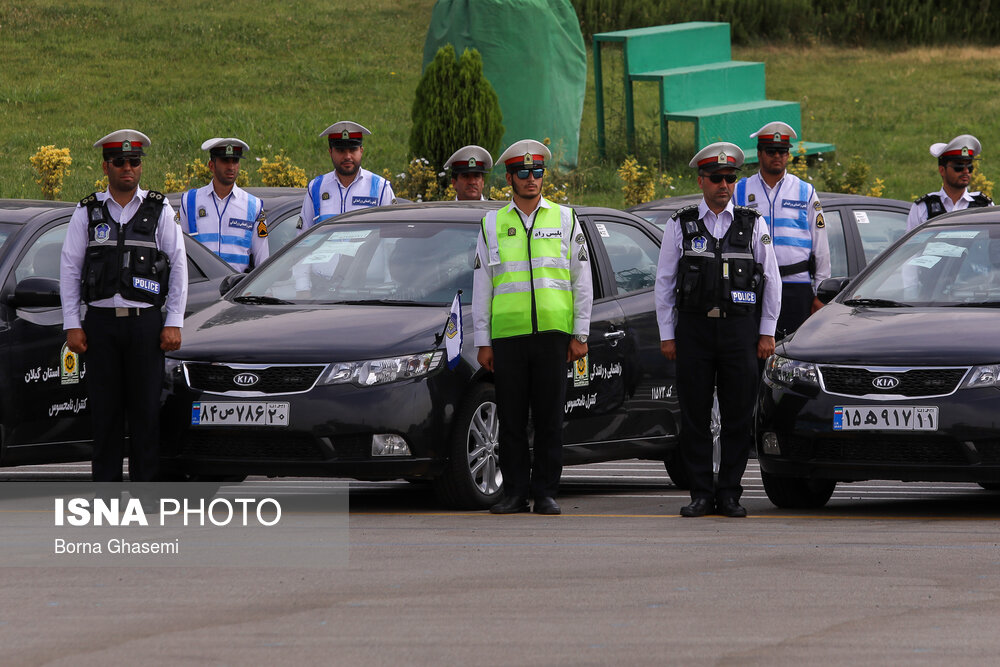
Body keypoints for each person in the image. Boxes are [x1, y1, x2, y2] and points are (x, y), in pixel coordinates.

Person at [655, 142, 780, 518]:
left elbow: (771, 280)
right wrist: (667, 333)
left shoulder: (752, 223)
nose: (724, 185)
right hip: (694, 330)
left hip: (740, 331)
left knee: (737, 415)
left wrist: (767, 332)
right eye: (716, 178)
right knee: (694, 414)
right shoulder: (680, 223)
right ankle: (699, 492)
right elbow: (664, 281)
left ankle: (729, 492)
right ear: (701, 181)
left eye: (730, 178)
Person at [59, 129, 188, 482]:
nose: (128, 168)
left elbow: (178, 267)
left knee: (146, 413)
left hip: (145, 325)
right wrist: (72, 323)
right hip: (100, 325)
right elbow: (70, 269)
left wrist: (173, 320)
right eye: (120, 162)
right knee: (105, 415)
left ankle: (146, 498)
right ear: (106, 166)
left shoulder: (160, 210)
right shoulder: (87, 212)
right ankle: (107, 497)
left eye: (134, 162)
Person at [472, 139, 593, 515]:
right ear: (509, 178)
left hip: (554, 336)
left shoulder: (565, 218)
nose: (530, 179)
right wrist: (483, 340)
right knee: (510, 419)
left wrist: (581, 334)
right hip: (508, 338)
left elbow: (581, 280)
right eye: (522, 172)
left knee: (548, 418)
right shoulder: (492, 223)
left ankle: (545, 492)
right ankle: (514, 493)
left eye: (536, 172)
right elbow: (483, 285)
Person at [733, 121, 830, 339]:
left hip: (795, 288)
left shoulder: (805, 191)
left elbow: (821, 245)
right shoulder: (740, 190)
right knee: (753, 356)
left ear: (788, 155)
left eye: (783, 152)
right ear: (759, 154)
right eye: (771, 151)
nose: (777, 156)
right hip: (752, 287)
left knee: (792, 355)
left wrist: (821, 294)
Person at [178, 137, 269, 272]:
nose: (231, 167)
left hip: (238, 288)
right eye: (225, 161)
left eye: (235, 161)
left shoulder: (253, 205)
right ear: (211, 165)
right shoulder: (189, 201)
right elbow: (178, 252)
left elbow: (263, 260)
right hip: (202, 288)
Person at [299, 120, 395, 232]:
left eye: (353, 150)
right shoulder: (316, 187)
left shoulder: (380, 188)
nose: (347, 156)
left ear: (361, 151)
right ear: (330, 152)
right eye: (341, 151)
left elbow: (391, 236)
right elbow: (303, 236)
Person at [907, 134, 993, 232]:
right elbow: (912, 245)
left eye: (969, 167)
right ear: (942, 170)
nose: (965, 172)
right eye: (959, 167)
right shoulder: (923, 207)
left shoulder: (984, 206)